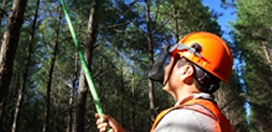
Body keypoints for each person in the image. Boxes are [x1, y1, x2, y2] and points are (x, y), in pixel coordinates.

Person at [96, 31, 235, 132]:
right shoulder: (211, 117)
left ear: (186, 71)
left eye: (171, 62)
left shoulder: (183, 119)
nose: (167, 67)